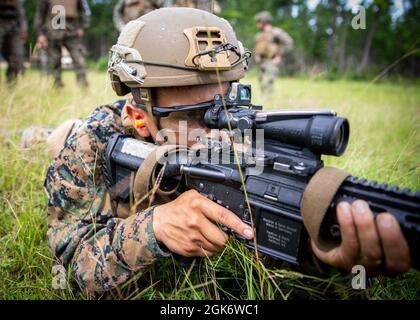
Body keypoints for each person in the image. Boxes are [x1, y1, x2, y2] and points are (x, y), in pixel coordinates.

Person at [44, 7, 411, 296]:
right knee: (56, 134)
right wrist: (153, 227)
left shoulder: (238, 142)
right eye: (190, 117)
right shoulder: (92, 142)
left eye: (225, 108)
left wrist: (321, 254)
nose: (215, 133)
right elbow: (73, 265)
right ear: (140, 118)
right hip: (70, 137)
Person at [34, 0, 91, 88]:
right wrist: (40, 34)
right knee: (55, 61)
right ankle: (57, 86)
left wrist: (82, 27)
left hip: (72, 32)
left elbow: (84, 12)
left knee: (79, 60)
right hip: (53, 32)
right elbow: (40, 15)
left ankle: (83, 85)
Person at [254, 11, 293, 96]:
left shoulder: (276, 32)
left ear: (263, 22)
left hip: (271, 61)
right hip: (262, 62)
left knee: (268, 81)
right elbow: (258, 47)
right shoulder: (259, 35)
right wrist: (257, 55)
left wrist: (279, 56)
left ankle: (267, 100)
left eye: (258, 22)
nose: (257, 24)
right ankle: (263, 100)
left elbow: (288, 42)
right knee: (261, 81)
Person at [0, 0, 27, 84]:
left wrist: (23, 29)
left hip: (14, 28)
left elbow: (21, 15)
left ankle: (11, 83)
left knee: (17, 57)